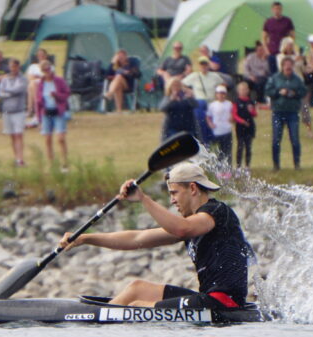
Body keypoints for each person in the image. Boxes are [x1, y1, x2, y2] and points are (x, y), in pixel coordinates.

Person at [57, 162, 255, 311]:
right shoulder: (191, 223)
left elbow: (182, 229)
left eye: (174, 193)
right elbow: (137, 239)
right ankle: (96, 325)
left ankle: (99, 324)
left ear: (193, 188)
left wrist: (143, 199)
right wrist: (85, 238)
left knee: (138, 305)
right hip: (206, 299)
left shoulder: (217, 211)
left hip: (223, 302)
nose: (172, 200)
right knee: (137, 288)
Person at [265, 57, 307, 171]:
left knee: (295, 139)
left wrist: (295, 93)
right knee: (276, 140)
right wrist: (279, 92)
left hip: (292, 113)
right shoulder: (275, 78)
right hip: (278, 112)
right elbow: (268, 91)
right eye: (286, 65)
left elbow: (304, 91)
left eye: (290, 65)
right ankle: (276, 165)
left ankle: (297, 164)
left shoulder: (297, 79)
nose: (288, 67)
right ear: (282, 66)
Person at [37, 60, 70, 171]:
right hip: (46, 113)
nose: (47, 71)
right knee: (48, 139)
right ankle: (51, 164)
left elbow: (66, 94)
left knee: (60, 138)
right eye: (44, 70)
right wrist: (39, 119)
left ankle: (65, 163)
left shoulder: (59, 81)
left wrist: (56, 95)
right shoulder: (41, 84)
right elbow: (38, 102)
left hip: (58, 112)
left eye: (48, 68)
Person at [0, 59, 28, 166]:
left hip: (18, 110)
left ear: (18, 67)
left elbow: (19, 90)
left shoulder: (22, 79)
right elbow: (0, 93)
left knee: (18, 134)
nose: (13, 69)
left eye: (15, 66)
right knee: (11, 135)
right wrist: (9, 92)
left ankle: (20, 159)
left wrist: (7, 91)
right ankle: (16, 158)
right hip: (7, 110)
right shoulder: (5, 79)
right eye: (11, 67)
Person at [206, 85, 234, 171]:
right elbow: (208, 116)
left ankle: (227, 168)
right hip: (216, 131)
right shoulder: (212, 105)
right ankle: (217, 168)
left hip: (227, 130)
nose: (221, 96)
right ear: (216, 95)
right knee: (218, 151)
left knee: (227, 151)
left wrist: (232, 118)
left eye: (223, 94)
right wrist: (210, 123)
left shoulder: (229, 104)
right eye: (219, 94)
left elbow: (233, 114)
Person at [261, 1, 295, 74]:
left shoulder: (287, 21)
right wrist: (267, 51)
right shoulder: (268, 22)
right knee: (273, 74)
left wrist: (289, 49)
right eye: (275, 9)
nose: (277, 11)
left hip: (284, 53)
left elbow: (292, 36)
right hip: (272, 52)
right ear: (272, 10)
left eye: (279, 9)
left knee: (284, 72)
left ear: (281, 9)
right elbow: (264, 38)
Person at [159, 77, 197, 142]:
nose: (176, 87)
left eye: (178, 85)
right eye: (174, 86)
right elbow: (162, 108)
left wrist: (190, 97)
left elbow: (195, 105)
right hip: (172, 128)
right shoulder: (168, 97)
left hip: (188, 127)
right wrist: (171, 100)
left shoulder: (186, 96)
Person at [231, 81, 257, 174]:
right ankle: (238, 167)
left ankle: (247, 166)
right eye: (241, 90)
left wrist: (251, 111)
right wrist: (242, 121)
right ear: (238, 91)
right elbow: (234, 115)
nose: (243, 91)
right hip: (240, 127)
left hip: (249, 126)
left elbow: (255, 114)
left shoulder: (250, 101)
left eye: (245, 89)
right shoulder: (236, 101)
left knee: (248, 147)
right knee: (240, 146)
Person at [104, 49, 139, 114]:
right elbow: (106, 75)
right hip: (117, 85)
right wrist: (112, 63)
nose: (121, 58)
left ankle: (110, 93)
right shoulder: (115, 66)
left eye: (122, 56)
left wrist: (128, 73)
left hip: (128, 85)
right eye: (119, 57)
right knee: (118, 86)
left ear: (126, 56)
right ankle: (119, 110)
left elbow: (137, 73)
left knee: (119, 77)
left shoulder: (131, 64)